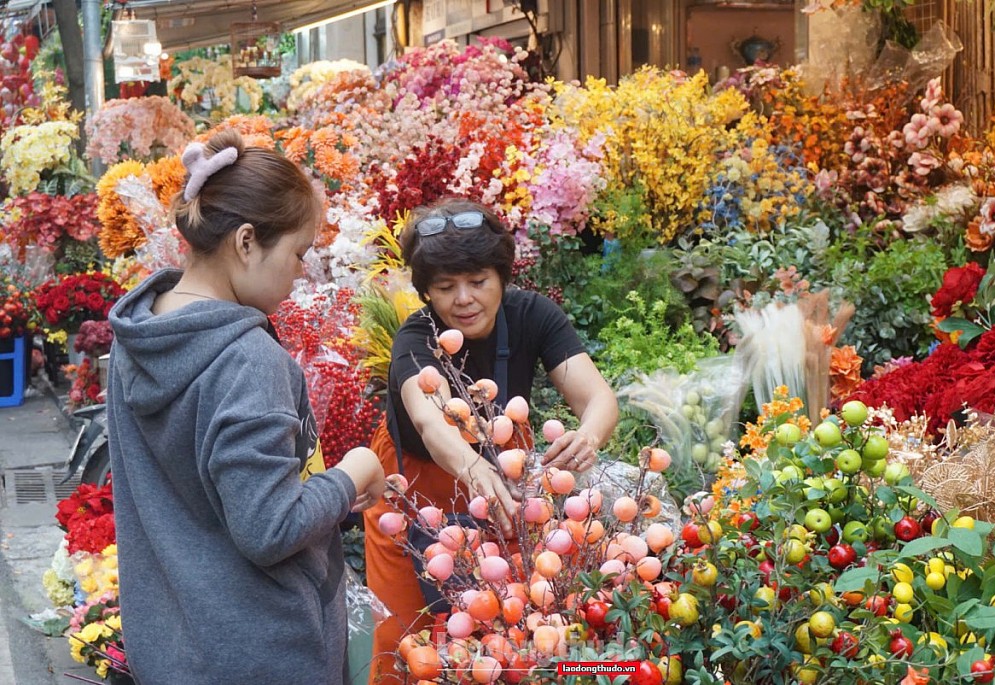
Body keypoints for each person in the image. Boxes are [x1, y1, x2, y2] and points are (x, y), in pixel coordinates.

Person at [106, 130, 386, 685]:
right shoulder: (246, 360)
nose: (301, 272)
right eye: (298, 253)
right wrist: (354, 473)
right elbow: (270, 528)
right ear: (246, 241)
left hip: (171, 647)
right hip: (265, 652)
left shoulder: (139, 334)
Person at [364, 198, 619, 682]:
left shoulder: (532, 317)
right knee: (408, 639)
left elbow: (599, 398)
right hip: (418, 487)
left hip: (505, 482)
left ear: (502, 277)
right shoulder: (416, 339)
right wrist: (475, 468)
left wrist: (589, 435)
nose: (464, 298)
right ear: (426, 293)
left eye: (478, 282)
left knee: (506, 629)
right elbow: (431, 423)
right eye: (445, 287)